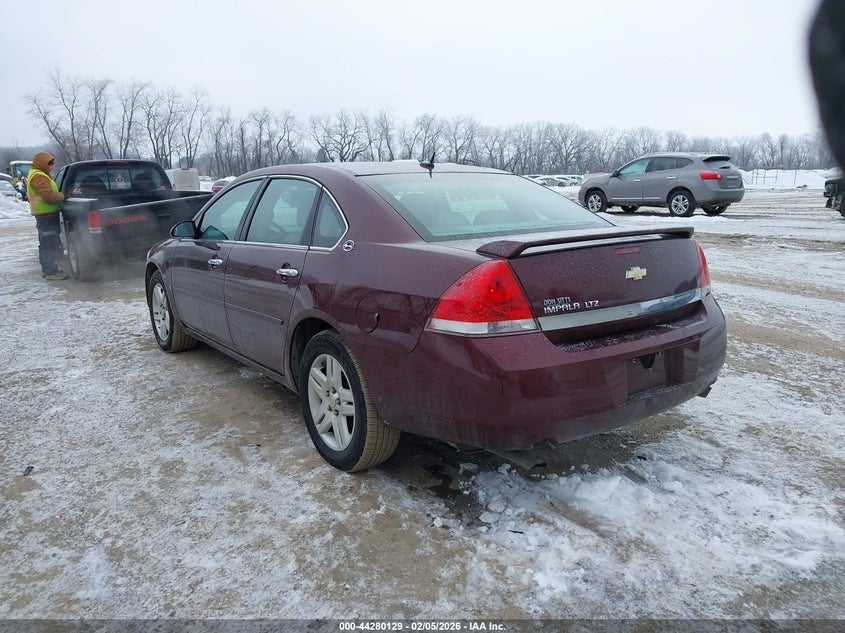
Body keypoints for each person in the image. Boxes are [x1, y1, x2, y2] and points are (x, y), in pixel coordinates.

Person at [26, 152, 67, 280]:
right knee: (49, 243)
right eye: (50, 164)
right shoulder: (38, 177)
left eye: (52, 164)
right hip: (46, 217)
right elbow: (49, 196)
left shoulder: (39, 174)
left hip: (46, 216)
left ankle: (48, 269)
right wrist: (63, 195)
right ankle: (51, 272)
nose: (52, 167)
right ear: (42, 163)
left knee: (46, 243)